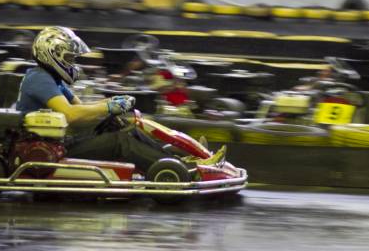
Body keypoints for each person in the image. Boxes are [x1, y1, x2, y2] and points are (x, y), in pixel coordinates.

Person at [16, 26, 225, 173]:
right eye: (69, 58)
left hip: (59, 142)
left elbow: (82, 109)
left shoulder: (53, 79)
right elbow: (71, 115)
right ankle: (183, 170)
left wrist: (112, 105)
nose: (72, 63)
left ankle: (180, 161)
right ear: (52, 55)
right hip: (48, 148)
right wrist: (108, 106)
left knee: (127, 128)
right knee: (121, 141)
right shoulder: (39, 78)